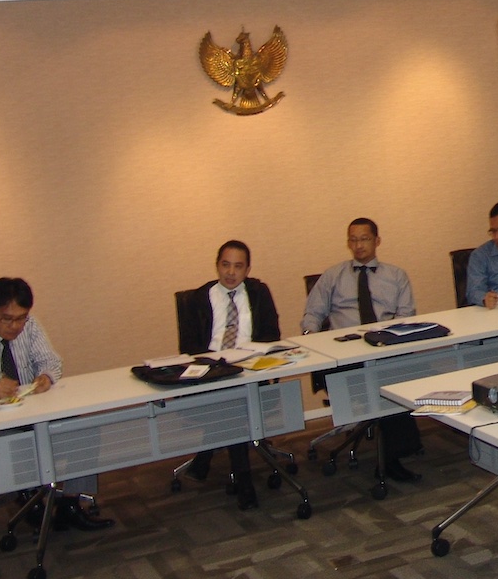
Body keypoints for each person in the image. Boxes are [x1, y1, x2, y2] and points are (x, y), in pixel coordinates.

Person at [0, 278, 114, 530]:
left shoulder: (30, 327)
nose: (15, 326)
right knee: (22, 443)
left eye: (21, 318)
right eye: (7, 319)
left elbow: (51, 361)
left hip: (30, 416)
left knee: (83, 431)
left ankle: (70, 504)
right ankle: (30, 501)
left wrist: (46, 377)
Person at [303, 218, 422, 482]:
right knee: (383, 382)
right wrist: (311, 339)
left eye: (364, 239)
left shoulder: (396, 276)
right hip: (346, 355)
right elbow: (313, 313)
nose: (358, 245)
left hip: (385, 349)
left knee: (391, 377)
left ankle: (392, 454)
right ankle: (394, 457)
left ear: (377, 241)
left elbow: (406, 317)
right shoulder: (333, 276)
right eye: (353, 240)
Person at [178, 240, 281, 509]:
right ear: (217, 265)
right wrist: (217, 363)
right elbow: (188, 347)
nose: (231, 272)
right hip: (212, 373)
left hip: (250, 371)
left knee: (231, 403)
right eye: (225, 265)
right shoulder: (198, 298)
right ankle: (244, 480)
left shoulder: (258, 293)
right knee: (232, 404)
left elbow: (272, 335)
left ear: (248, 269)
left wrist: (248, 356)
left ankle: (205, 457)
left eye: (238, 266)